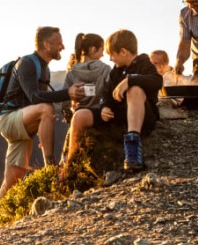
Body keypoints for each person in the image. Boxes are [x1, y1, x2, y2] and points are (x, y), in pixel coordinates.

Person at [0, 26, 85, 201]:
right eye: (59, 43)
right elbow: (35, 97)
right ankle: (50, 167)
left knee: (13, 177)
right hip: (9, 119)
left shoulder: (43, 68)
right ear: (46, 44)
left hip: (22, 122)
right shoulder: (27, 64)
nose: (63, 47)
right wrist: (67, 93)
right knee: (46, 108)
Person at [61, 29, 162, 174]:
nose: (110, 59)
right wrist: (104, 107)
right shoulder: (115, 70)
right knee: (79, 115)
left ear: (123, 52)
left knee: (135, 90)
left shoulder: (144, 63)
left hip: (142, 118)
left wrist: (130, 80)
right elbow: (107, 93)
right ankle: (71, 165)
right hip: (118, 117)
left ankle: (133, 152)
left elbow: (157, 80)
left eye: (112, 55)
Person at [62, 33, 110, 119]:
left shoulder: (71, 73)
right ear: (93, 50)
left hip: (79, 118)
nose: (103, 55)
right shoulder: (106, 70)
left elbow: (65, 104)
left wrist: (70, 119)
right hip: (101, 118)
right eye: (102, 50)